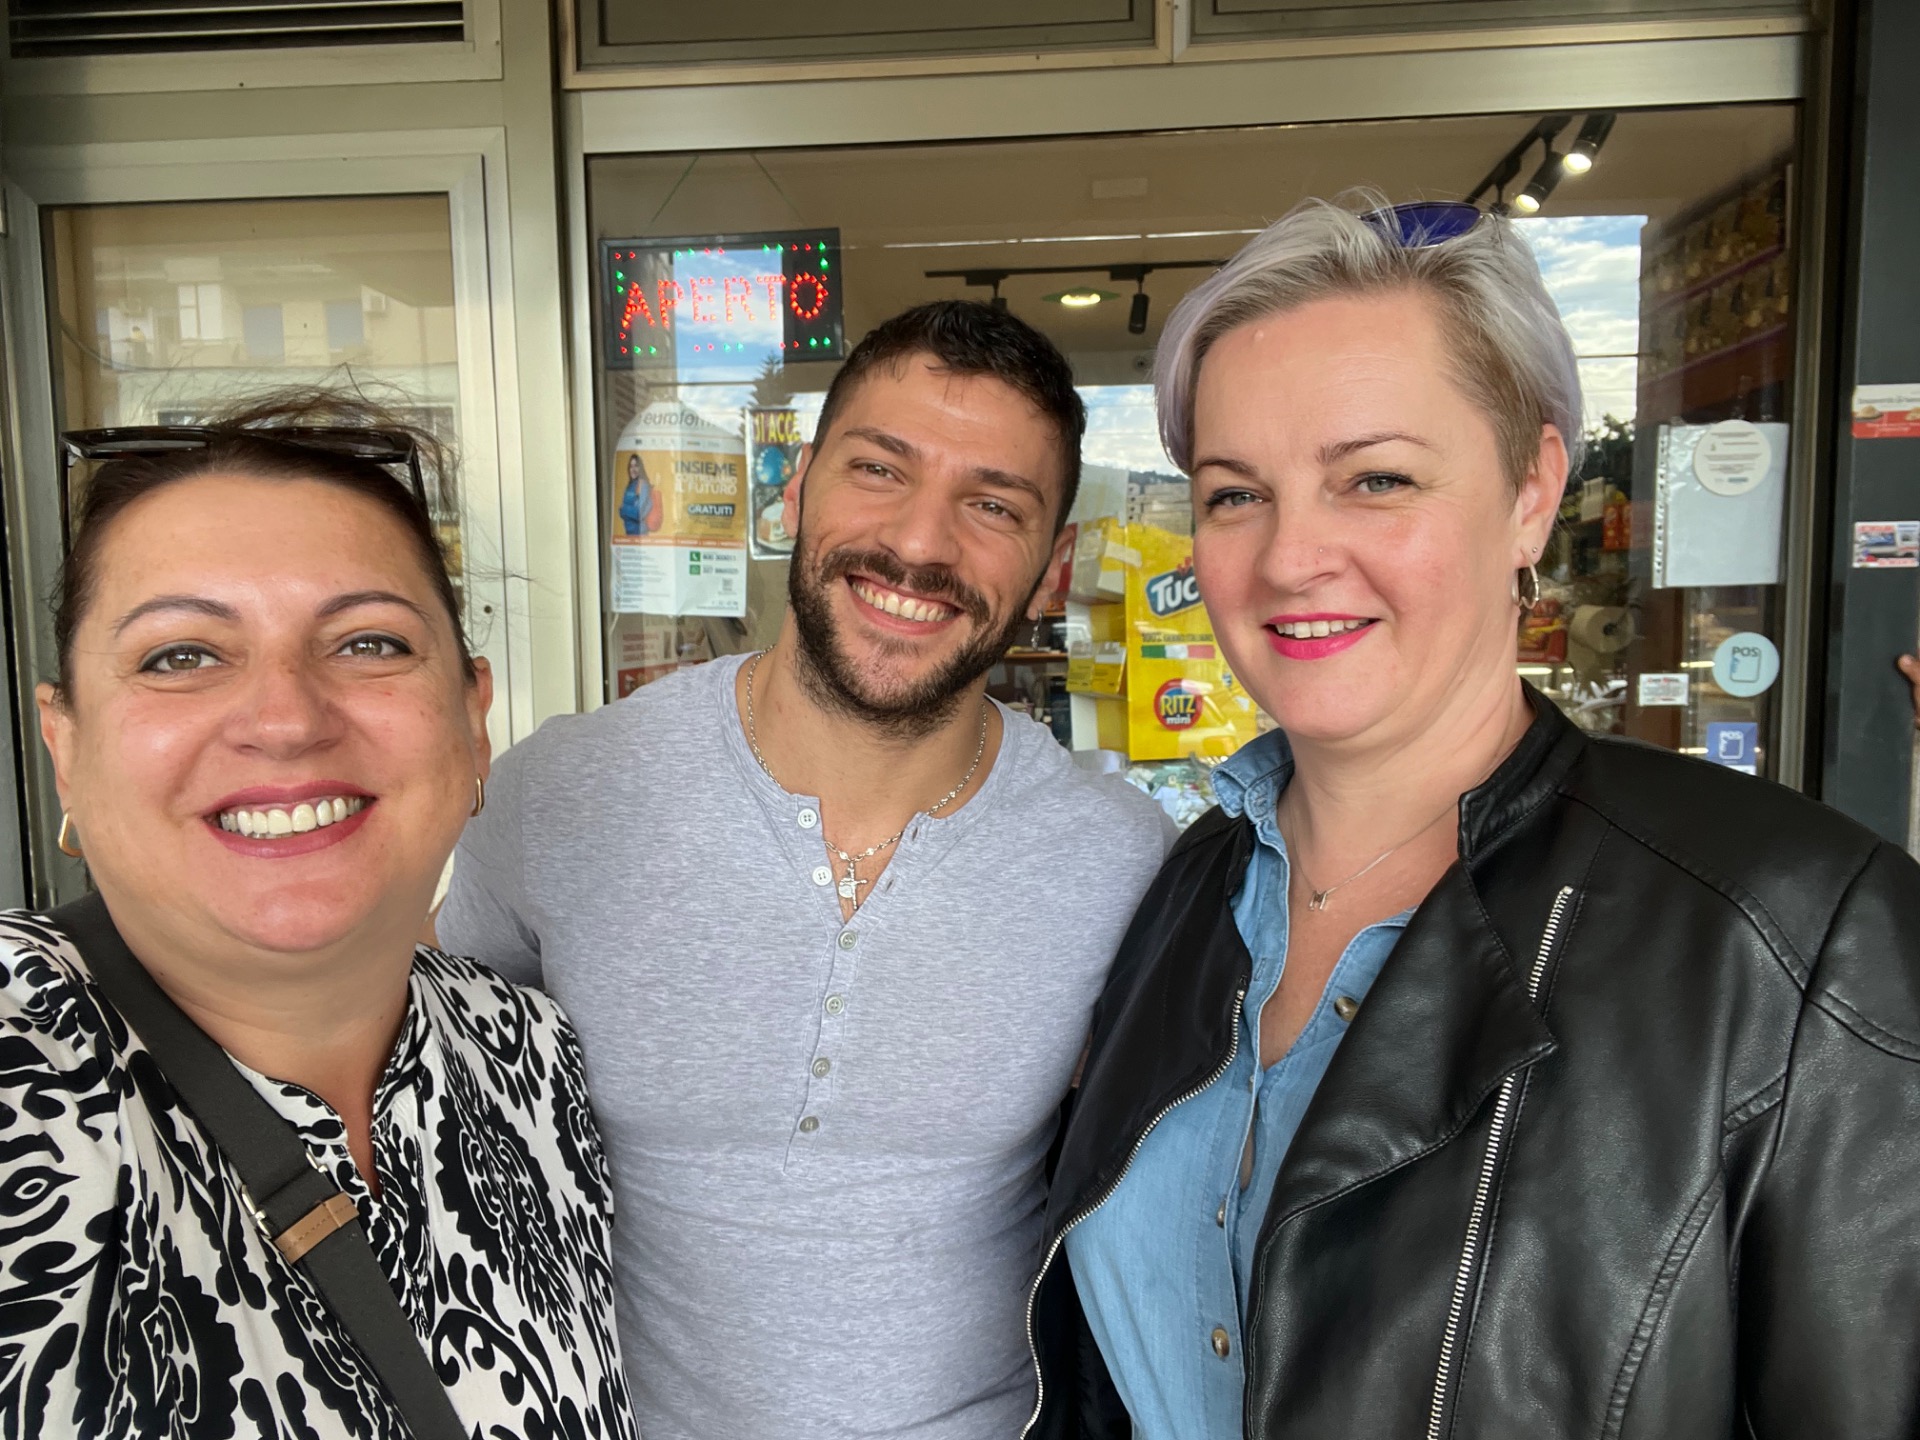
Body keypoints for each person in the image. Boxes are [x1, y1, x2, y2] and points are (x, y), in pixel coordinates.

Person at [1033, 198, 1920, 1439]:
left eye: (1376, 479)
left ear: (1532, 492)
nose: (1290, 557)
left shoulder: (1792, 939)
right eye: (1235, 495)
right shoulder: (1189, 889)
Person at [435, 301, 1172, 1440]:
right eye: (879, 469)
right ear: (794, 491)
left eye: (992, 505)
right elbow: (432, 1091)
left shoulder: (1120, 855)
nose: (921, 544)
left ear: (1051, 564)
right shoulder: (565, 792)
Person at [1, 395, 638, 1440]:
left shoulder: (528, 1053)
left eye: (368, 642)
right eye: (180, 656)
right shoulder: (26, 1068)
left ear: (473, 722)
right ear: (64, 746)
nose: (287, 719)